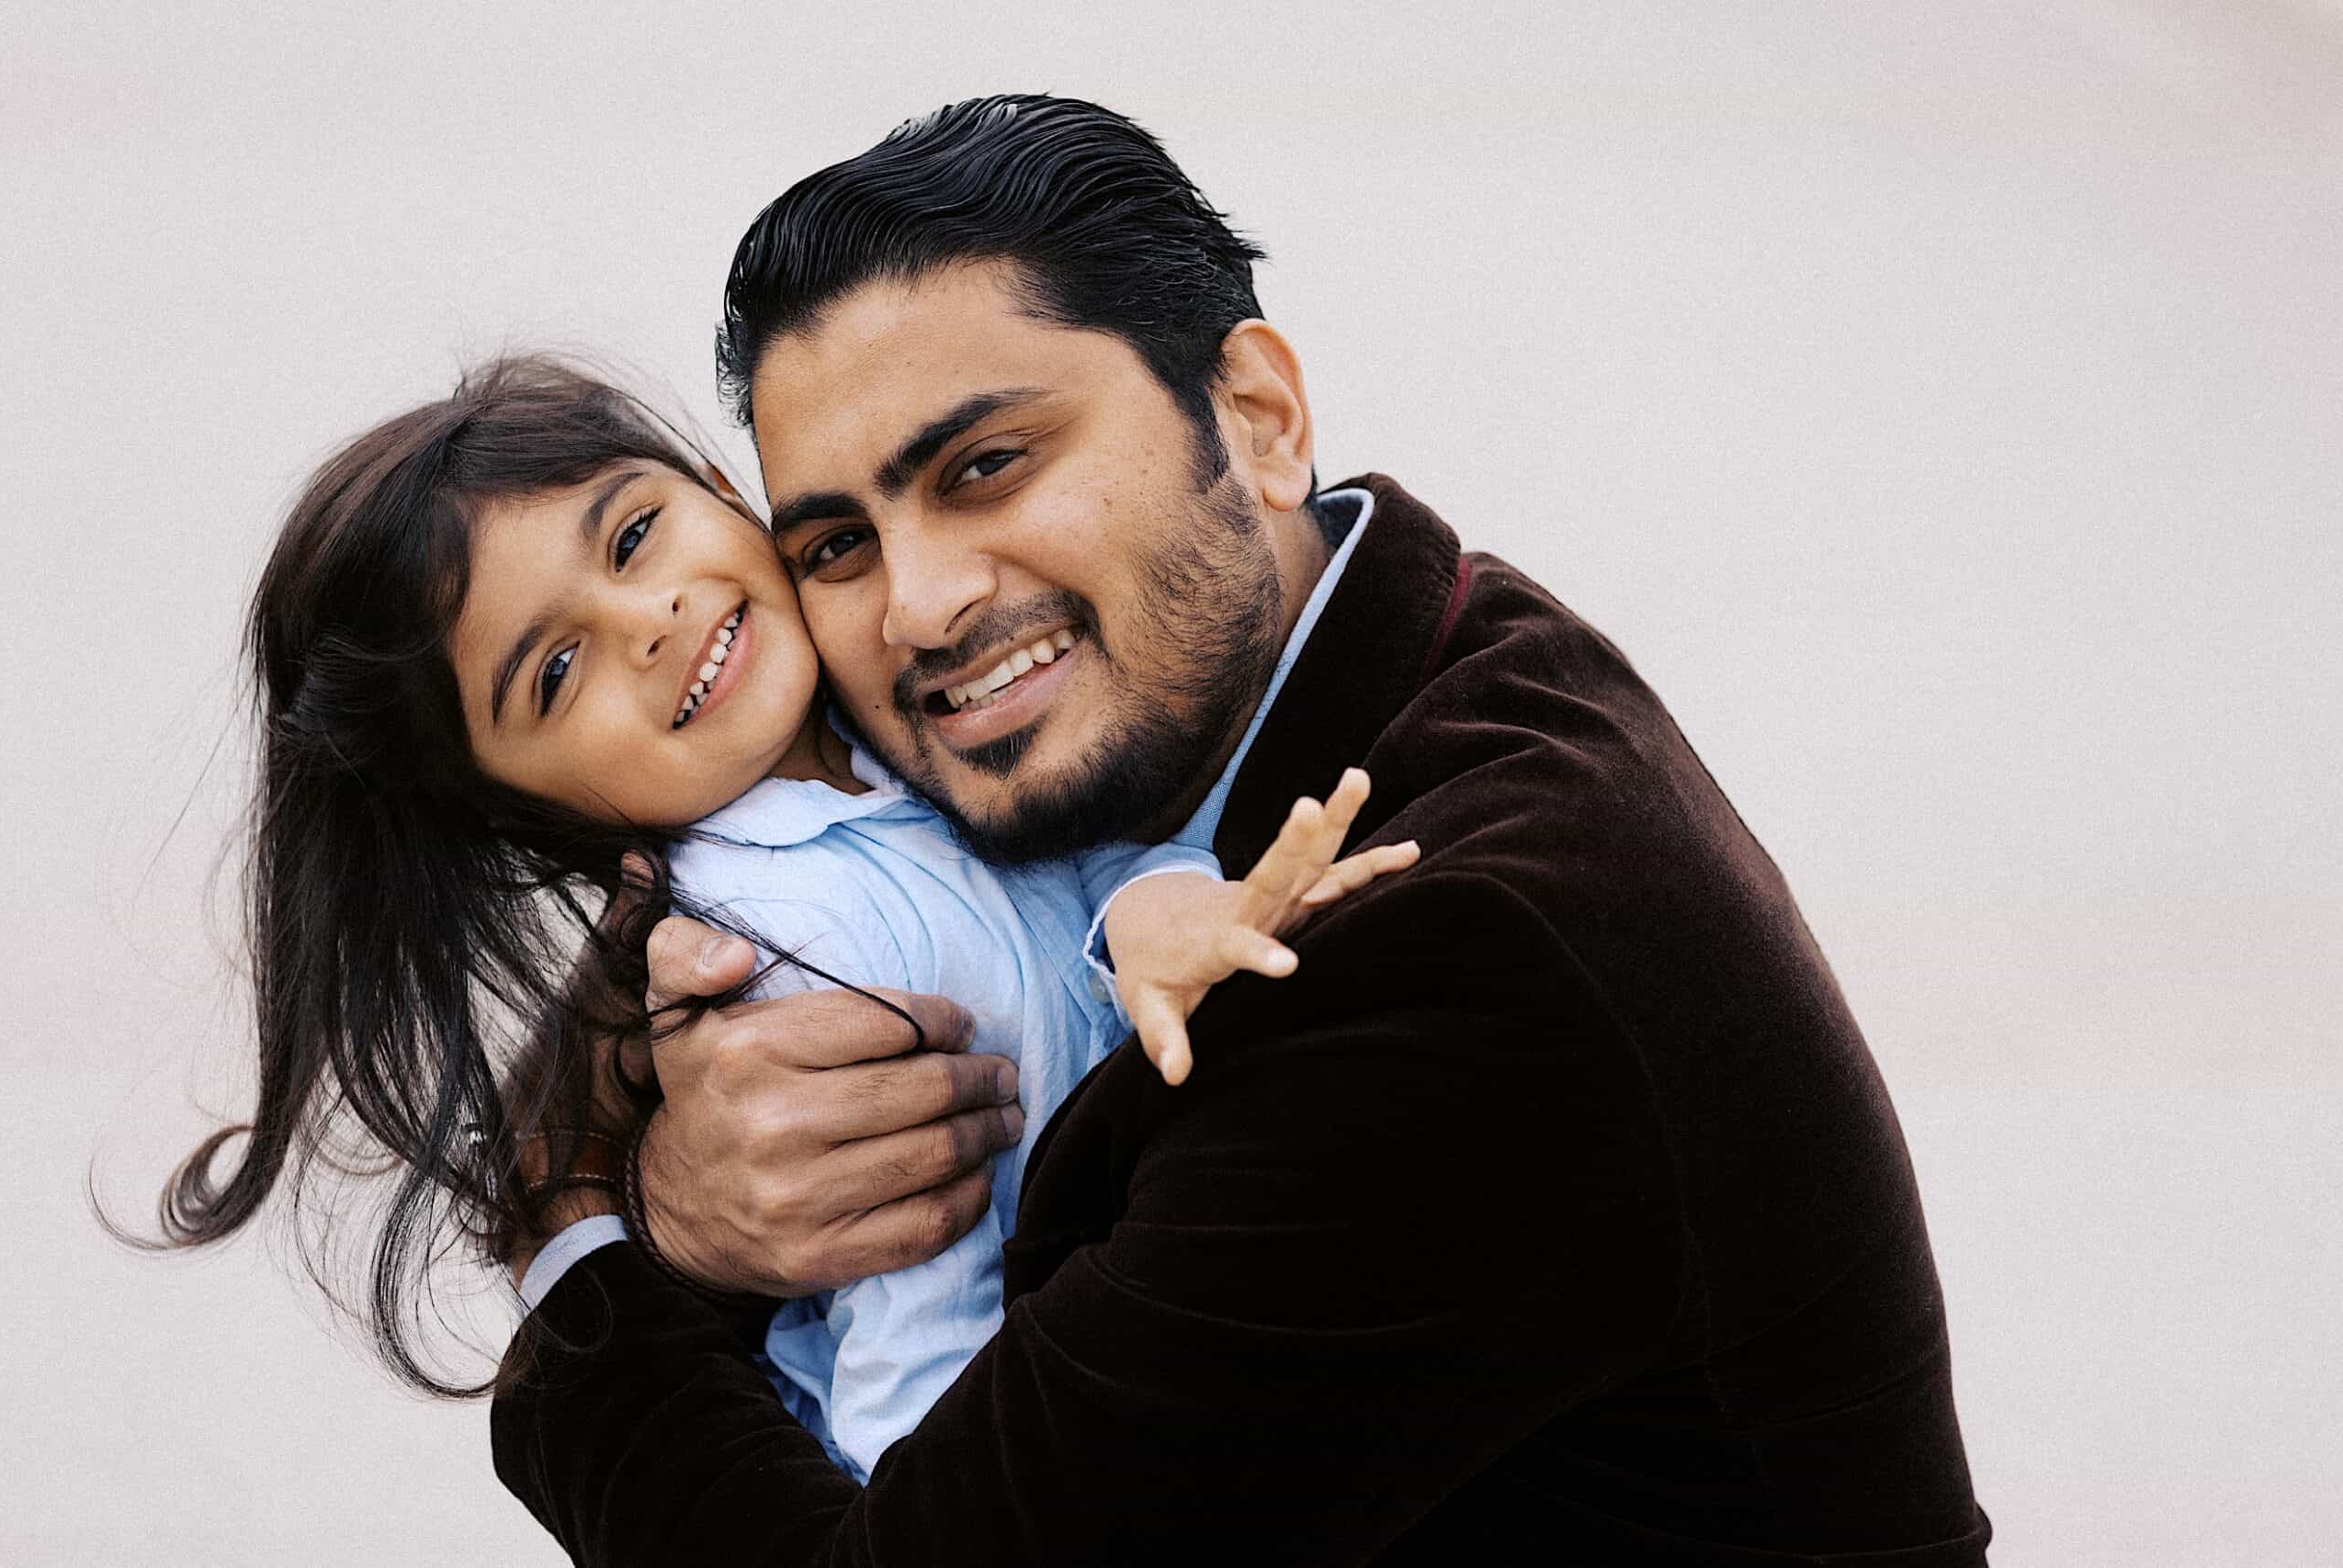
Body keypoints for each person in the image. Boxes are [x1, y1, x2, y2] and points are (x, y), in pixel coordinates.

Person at [490, 96, 1993, 1564]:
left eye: (987, 466)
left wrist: (578, 1219)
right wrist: (677, 1189)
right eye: (836, 543)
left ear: (1260, 418)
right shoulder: (1317, 674)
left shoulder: (1462, 949)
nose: (922, 606)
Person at [149, 354, 1412, 1483]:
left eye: (634, 535)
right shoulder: (767, 950)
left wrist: (1159, 910)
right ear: (511, 801)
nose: (648, 624)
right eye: (553, 671)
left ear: (716, 483)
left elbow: (1083, 871)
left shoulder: (917, 717)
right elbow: (916, 1326)